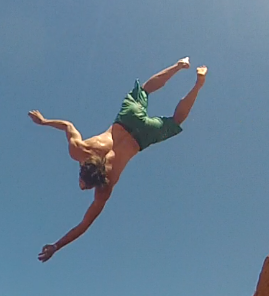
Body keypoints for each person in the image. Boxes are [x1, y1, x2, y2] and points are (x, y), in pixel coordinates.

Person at [29, 58, 207, 261]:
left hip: (141, 138)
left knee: (176, 120)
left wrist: (57, 246)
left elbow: (84, 224)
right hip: (126, 121)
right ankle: (179, 65)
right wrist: (44, 122)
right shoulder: (80, 150)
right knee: (145, 90)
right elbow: (68, 125)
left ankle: (198, 85)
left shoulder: (105, 188)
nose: (82, 187)